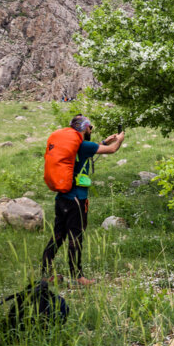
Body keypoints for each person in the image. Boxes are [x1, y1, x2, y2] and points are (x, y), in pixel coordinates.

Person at [41, 115, 124, 285]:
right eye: (89, 127)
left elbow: (89, 151)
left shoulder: (72, 145)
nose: (90, 130)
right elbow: (112, 150)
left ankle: (45, 274)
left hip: (62, 198)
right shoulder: (84, 145)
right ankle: (78, 276)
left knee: (58, 236)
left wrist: (104, 141)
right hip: (77, 200)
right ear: (85, 128)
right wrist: (120, 139)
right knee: (76, 237)